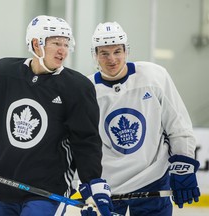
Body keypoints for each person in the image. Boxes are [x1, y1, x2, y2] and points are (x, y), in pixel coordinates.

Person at [0, 15, 114, 216]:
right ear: (36, 43)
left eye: (66, 44)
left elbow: (85, 141)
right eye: (56, 43)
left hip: (46, 191)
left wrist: (92, 183)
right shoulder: (2, 73)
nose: (62, 50)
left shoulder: (77, 87)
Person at [81, 21, 201, 216]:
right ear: (95, 55)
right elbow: (82, 144)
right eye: (104, 53)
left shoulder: (154, 76)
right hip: (108, 188)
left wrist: (183, 166)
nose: (112, 59)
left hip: (153, 180)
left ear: (126, 51)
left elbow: (178, 125)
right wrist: (88, 185)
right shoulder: (87, 90)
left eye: (117, 51)